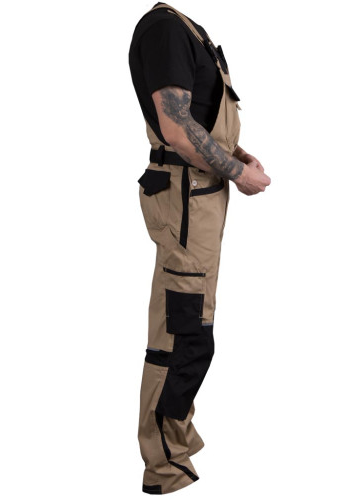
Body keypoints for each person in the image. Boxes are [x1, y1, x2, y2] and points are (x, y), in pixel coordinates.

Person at [128, 2, 271, 494]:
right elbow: (176, 129)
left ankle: (177, 441)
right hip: (187, 197)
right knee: (183, 332)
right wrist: (238, 173)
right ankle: (165, 464)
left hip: (199, 195)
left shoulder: (185, 27)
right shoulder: (166, 30)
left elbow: (200, 117)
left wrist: (236, 155)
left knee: (191, 324)